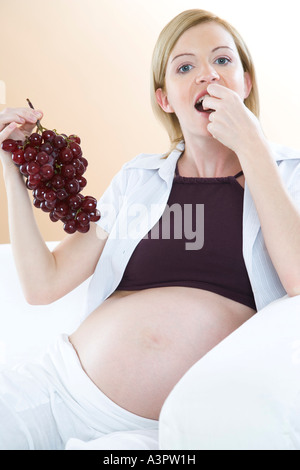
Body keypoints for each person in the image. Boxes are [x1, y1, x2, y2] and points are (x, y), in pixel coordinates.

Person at [0, 8, 299, 450]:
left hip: (167, 433)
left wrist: (252, 145)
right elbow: (43, 284)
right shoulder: (138, 180)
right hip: (54, 388)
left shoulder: (288, 178)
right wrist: (12, 168)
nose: (207, 77)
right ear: (165, 99)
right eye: (185, 67)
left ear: (245, 82)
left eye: (222, 61)